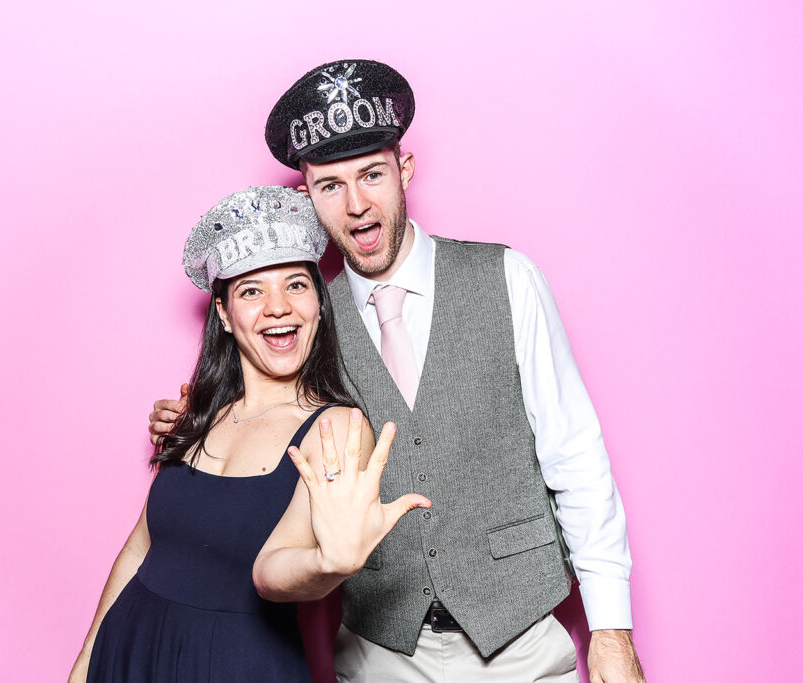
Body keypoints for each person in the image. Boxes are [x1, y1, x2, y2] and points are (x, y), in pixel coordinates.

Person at [151, 60, 647, 681]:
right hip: (380, 654)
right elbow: (267, 419)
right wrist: (195, 421)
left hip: (520, 644)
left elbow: (576, 456)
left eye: (372, 175)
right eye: (331, 186)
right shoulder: (307, 317)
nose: (357, 205)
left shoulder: (506, 279)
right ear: (308, 197)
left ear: (404, 169)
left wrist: (610, 631)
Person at [70, 185, 428, 683]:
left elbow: (273, 571)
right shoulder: (198, 410)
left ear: (320, 305)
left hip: (236, 666)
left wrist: (329, 563)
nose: (277, 307)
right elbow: (140, 547)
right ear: (223, 314)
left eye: (296, 285)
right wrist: (86, 665)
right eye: (252, 291)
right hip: (129, 652)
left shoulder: (336, 429)